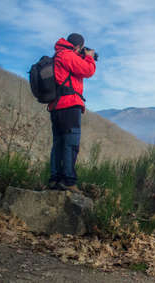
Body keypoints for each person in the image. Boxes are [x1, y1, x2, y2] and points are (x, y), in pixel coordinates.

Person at [48, 33, 96, 193]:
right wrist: (89, 57)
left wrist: (82, 56)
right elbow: (88, 70)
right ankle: (68, 181)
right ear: (79, 46)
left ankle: (55, 180)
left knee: (59, 143)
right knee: (71, 144)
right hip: (69, 105)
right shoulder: (67, 55)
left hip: (56, 107)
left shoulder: (58, 55)